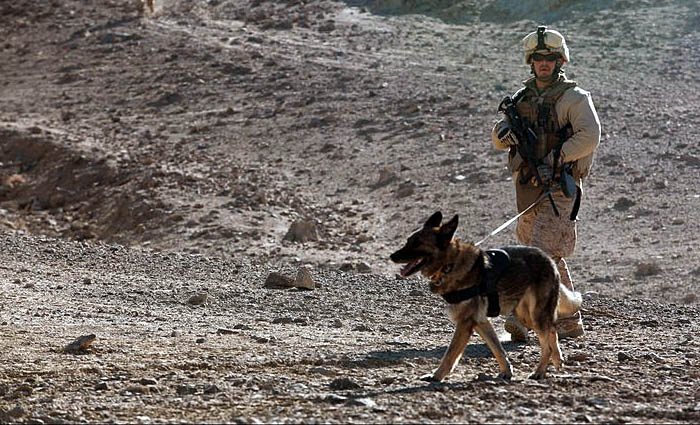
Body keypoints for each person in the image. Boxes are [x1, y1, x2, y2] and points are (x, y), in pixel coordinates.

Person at [491, 26, 601, 340]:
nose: (544, 62)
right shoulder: (520, 99)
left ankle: (521, 316)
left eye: (550, 57)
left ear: (560, 61)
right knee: (548, 255)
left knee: (537, 255)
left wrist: (557, 157)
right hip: (528, 189)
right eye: (539, 57)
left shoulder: (574, 98)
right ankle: (568, 322)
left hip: (559, 187)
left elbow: (590, 136)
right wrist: (504, 135)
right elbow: (499, 136)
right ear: (531, 61)